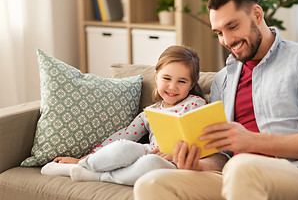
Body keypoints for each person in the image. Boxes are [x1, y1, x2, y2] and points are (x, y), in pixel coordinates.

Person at [133, 0, 298, 200]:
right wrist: (198, 165)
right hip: (234, 174)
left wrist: (250, 142)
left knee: (241, 166)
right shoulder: (224, 79)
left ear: (256, 14)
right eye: (219, 33)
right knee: (151, 184)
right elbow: (223, 156)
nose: (226, 40)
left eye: (232, 26)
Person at [41, 45, 207, 186]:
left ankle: (95, 176)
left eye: (182, 81)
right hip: (149, 151)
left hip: (175, 162)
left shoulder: (196, 103)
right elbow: (125, 134)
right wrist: (83, 157)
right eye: (167, 78)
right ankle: (82, 165)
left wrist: (178, 155)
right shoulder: (150, 112)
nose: (172, 86)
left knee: (151, 163)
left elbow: (204, 141)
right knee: (124, 145)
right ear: (156, 77)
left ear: (192, 84)